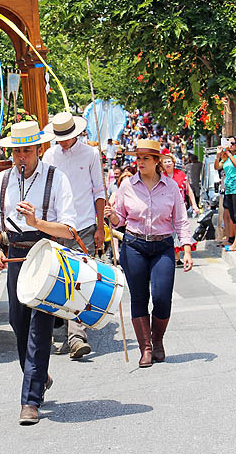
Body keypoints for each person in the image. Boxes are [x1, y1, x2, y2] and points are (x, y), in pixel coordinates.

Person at [0, 121, 76, 425]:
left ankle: (30, 401)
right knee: (17, 320)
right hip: (14, 254)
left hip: (47, 254)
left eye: (26, 150)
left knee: (40, 326)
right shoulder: (1, 181)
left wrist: (37, 222)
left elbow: (68, 228)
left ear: (39, 149)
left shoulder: (57, 178)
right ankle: (38, 373)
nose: (20, 157)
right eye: (15, 151)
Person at [104, 139, 193, 368]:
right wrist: (112, 215)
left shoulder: (171, 187)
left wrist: (186, 250)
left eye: (145, 158)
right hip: (134, 245)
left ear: (156, 161)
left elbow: (181, 221)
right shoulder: (127, 186)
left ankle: (158, 340)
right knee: (139, 298)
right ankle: (145, 348)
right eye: (138, 158)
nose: (140, 162)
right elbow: (120, 220)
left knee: (163, 297)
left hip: (163, 246)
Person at [43, 112, 105, 359]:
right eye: (60, 138)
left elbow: (99, 191)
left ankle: (77, 336)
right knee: (58, 280)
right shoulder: (49, 156)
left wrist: (101, 227)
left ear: (76, 134)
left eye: (67, 137)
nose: (64, 142)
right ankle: (66, 330)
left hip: (85, 226)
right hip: (57, 227)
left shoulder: (90, 154)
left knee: (81, 281)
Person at [161, 153, 199, 267]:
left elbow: (189, 191)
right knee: (170, 232)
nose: (167, 164)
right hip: (166, 208)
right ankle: (174, 256)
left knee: (180, 230)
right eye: (165, 162)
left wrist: (195, 206)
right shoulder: (160, 177)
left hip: (180, 207)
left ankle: (178, 256)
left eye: (169, 161)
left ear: (173, 162)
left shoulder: (181, 175)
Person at [214, 137, 236, 252]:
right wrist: (218, 155)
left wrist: (228, 153)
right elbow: (217, 167)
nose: (230, 145)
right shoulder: (226, 157)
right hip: (228, 190)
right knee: (233, 216)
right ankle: (235, 241)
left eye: (232, 143)